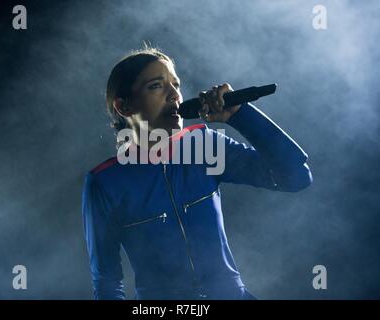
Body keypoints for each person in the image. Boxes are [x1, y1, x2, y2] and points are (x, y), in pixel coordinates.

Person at [82, 46, 312, 300]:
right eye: (156, 86)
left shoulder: (204, 145)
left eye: (176, 84)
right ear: (124, 106)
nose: (174, 95)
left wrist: (241, 115)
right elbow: (106, 281)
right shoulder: (104, 182)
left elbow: (296, 177)